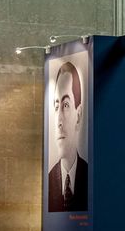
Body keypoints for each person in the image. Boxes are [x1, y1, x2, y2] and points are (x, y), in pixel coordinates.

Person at [49, 62, 88, 212]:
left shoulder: (90, 178)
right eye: (56, 106)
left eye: (65, 105)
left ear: (78, 115)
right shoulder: (48, 182)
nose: (59, 121)